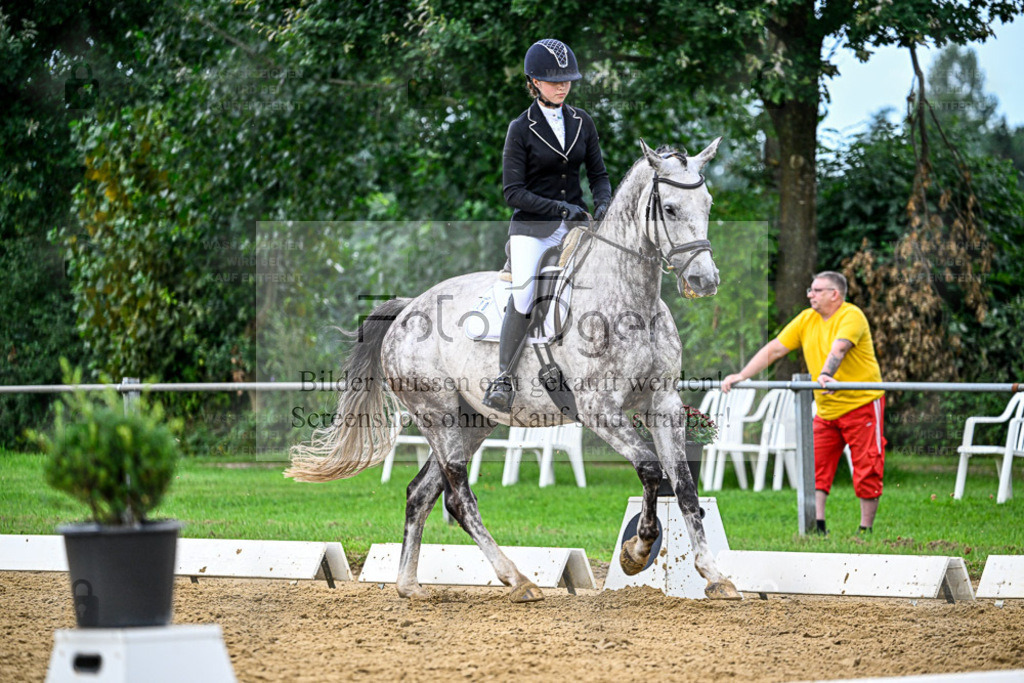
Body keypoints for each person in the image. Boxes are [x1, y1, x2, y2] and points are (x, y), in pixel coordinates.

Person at [482, 38, 612, 412]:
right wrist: (558, 207)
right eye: (555, 81)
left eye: (567, 80)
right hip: (533, 229)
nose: (563, 86)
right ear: (534, 82)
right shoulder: (520, 128)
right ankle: (504, 378)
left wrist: (604, 202)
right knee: (525, 295)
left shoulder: (582, 121)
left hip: (577, 227)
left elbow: (598, 174)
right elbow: (513, 192)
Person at [720, 271, 886, 535]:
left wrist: (826, 374)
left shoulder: (851, 315)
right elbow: (775, 348)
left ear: (835, 294)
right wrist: (742, 375)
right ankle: (817, 527)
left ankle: (865, 530)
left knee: (868, 465)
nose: (810, 295)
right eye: (810, 290)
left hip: (861, 404)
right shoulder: (807, 319)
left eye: (817, 290)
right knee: (815, 466)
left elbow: (840, 348)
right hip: (826, 409)